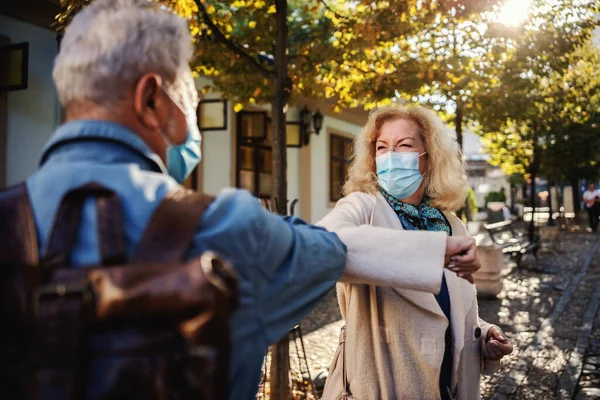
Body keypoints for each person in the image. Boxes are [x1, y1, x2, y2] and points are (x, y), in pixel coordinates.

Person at [16, 1, 481, 399]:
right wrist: (435, 248)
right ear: (151, 99)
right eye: (190, 101)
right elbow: (332, 246)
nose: (191, 124)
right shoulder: (231, 230)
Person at [319, 105, 513, 400]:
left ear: (429, 156)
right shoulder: (363, 207)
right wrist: (435, 252)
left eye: (404, 146)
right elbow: (324, 245)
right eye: (382, 147)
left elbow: (450, 310)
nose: (390, 156)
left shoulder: (452, 226)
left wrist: (484, 335)